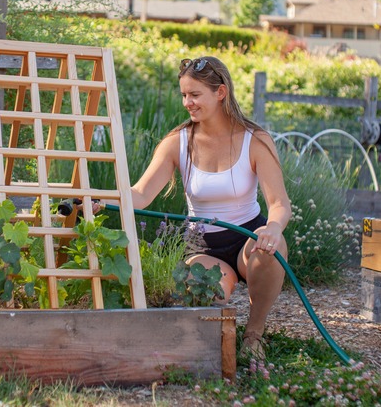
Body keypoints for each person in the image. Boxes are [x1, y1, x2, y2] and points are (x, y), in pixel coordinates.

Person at [98, 56, 291, 359]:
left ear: (220, 92)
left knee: (269, 253)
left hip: (248, 236)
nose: (187, 102)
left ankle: (254, 335)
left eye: (195, 94)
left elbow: (279, 203)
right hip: (202, 245)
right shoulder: (178, 142)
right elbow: (140, 193)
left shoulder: (255, 140)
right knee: (203, 291)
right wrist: (99, 200)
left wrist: (274, 228)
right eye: (184, 95)